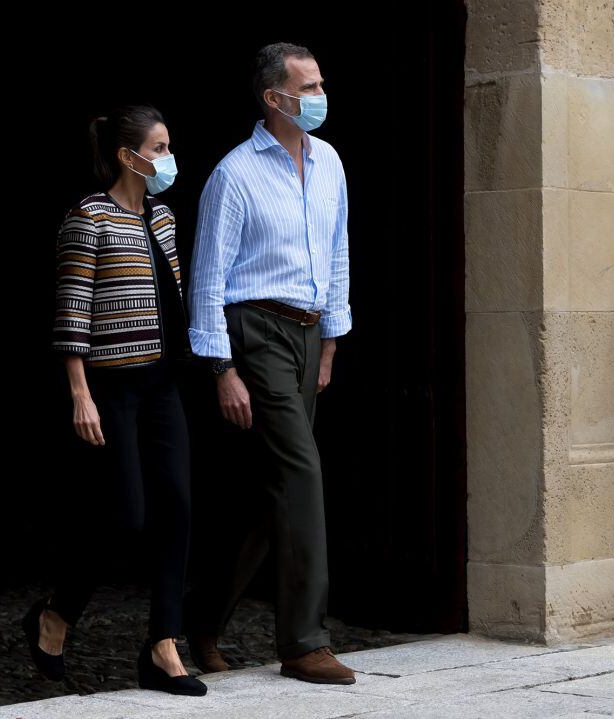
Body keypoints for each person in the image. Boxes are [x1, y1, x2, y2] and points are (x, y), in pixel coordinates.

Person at [21, 105, 206, 697]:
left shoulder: (165, 219)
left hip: (161, 384)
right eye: (158, 148)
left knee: (177, 506)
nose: (167, 159)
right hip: (109, 387)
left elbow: (175, 296)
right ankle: (56, 614)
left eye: (168, 146)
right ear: (128, 157)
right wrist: (80, 394)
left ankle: (163, 647)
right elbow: (72, 307)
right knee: (125, 515)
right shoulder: (88, 216)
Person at [185, 42, 354, 685]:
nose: (318, 96)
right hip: (253, 330)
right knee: (303, 475)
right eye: (306, 87)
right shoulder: (235, 173)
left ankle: (200, 620)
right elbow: (207, 276)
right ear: (273, 98)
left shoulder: (331, 162)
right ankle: (304, 642)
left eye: (320, 83)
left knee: (271, 492)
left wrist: (332, 339)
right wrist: (221, 367)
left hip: (309, 335)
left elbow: (338, 250)